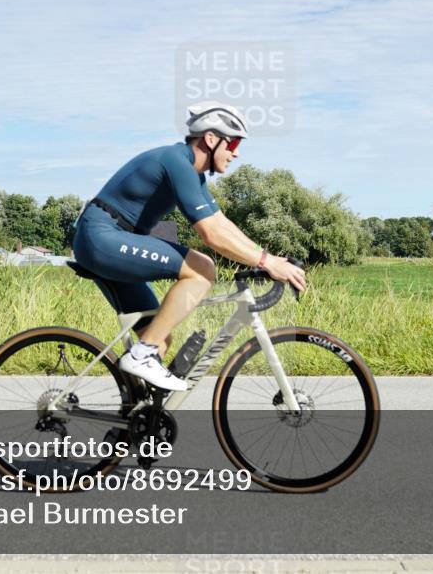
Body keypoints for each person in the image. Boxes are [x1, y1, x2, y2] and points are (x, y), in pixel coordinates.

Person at [71, 102, 307, 391]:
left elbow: (222, 223)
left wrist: (268, 258)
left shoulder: (191, 173)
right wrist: (266, 262)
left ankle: (134, 423)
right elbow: (211, 234)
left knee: (159, 336)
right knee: (202, 268)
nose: (237, 152)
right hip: (101, 237)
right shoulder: (176, 161)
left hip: (110, 240)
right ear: (210, 139)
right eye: (232, 142)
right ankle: (141, 356)